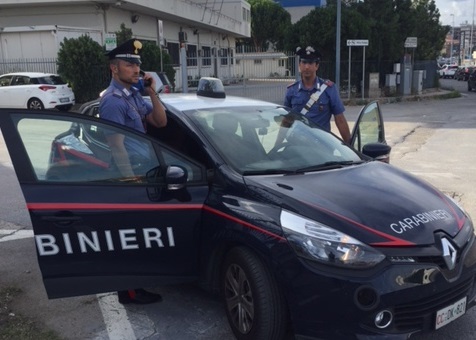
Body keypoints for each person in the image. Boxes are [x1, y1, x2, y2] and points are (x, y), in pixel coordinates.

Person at [99, 38, 167, 304]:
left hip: (143, 174)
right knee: (129, 238)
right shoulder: (113, 102)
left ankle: (135, 286)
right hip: (130, 179)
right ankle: (128, 291)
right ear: (114, 69)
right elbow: (117, 148)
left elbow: (160, 122)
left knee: (137, 236)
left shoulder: (133, 96)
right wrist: (132, 183)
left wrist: (152, 92)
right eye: (129, 64)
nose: (136, 69)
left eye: (138, 64)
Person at [284, 46, 351, 144]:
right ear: (299, 65)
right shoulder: (292, 90)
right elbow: (286, 121)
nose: (307, 66)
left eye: (310, 63)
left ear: (317, 66)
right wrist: (276, 145)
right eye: (304, 62)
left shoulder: (329, 89)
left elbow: (340, 119)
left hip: (322, 146)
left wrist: (350, 146)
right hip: (297, 145)